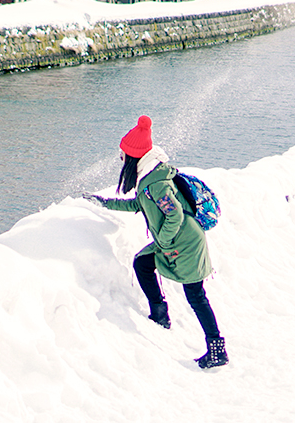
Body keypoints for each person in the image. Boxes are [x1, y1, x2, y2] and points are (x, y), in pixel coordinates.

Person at [84, 116, 228, 369]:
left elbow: (175, 213)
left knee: (196, 296)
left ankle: (217, 349)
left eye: (123, 155)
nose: (121, 159)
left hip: (186, 243)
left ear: (135, 157)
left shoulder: (157, 182)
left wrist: (162, 239)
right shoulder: (149, 177)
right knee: (142, 263)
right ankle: (159, 314)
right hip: (175, 240)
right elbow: (139, 204)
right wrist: (105, 203)